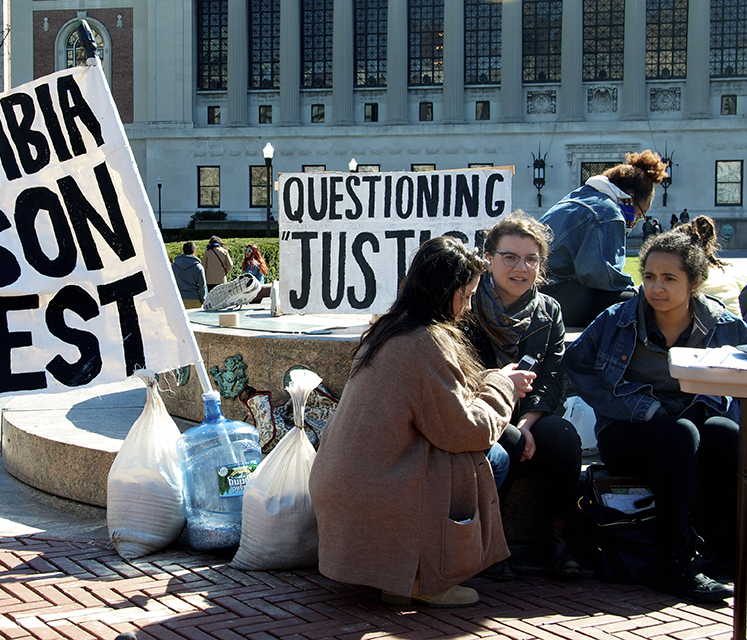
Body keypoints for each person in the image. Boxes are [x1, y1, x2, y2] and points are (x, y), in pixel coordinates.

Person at [310, 236, 536, 609]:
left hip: (341, 487)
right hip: (379, 494)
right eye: (465, 296)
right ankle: (424, 577)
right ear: (444, 291)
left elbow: (434, 400)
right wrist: (503, 386)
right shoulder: (427, 340)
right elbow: (468, 431)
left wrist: (489, 382)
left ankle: (403, 569)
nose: (466, 307)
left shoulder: (389, 329)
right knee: (491, 456)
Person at [565, 216, 744, 603]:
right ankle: (673, 562)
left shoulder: (724, 325)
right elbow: (576, 364)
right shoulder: (618, 319)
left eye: (668, 279)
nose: (655, 288)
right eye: (648, 277)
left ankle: (723, 551)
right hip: (628, 431)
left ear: (693, 283)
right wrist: (637, 406)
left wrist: (704, 405)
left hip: (687, 424)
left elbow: (737, 369)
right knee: (681, 433)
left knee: (727, 436)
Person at [464, 212, 583, 580]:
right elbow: (461, 376)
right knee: (510, 440)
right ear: (488, 258)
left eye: (531, 259)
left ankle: (558, 541)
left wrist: (528, 420)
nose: (521, 267)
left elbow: (550, 378)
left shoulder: (549, 312)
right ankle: (489, 544)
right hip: (477, 414)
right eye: (510, 257)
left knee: (562, 438)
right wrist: (510, 421)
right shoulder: (467, 306)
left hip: (526, 415)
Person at [539, 150, 669, 328]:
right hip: (551, 295)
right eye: (639, 214)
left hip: (538, 290)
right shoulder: (608, 213)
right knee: (642, 302)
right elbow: (603, 278)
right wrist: (636, 289)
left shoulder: (580, 195)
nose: (635, 221)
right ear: (630, 198)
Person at [171, 242, 207, 309]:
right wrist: (203, 300)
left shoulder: (174, 266)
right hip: (194, 299)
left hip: (178, 299)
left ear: (183, 251)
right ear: (194, 252)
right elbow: (202, 287)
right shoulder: (198, 267)